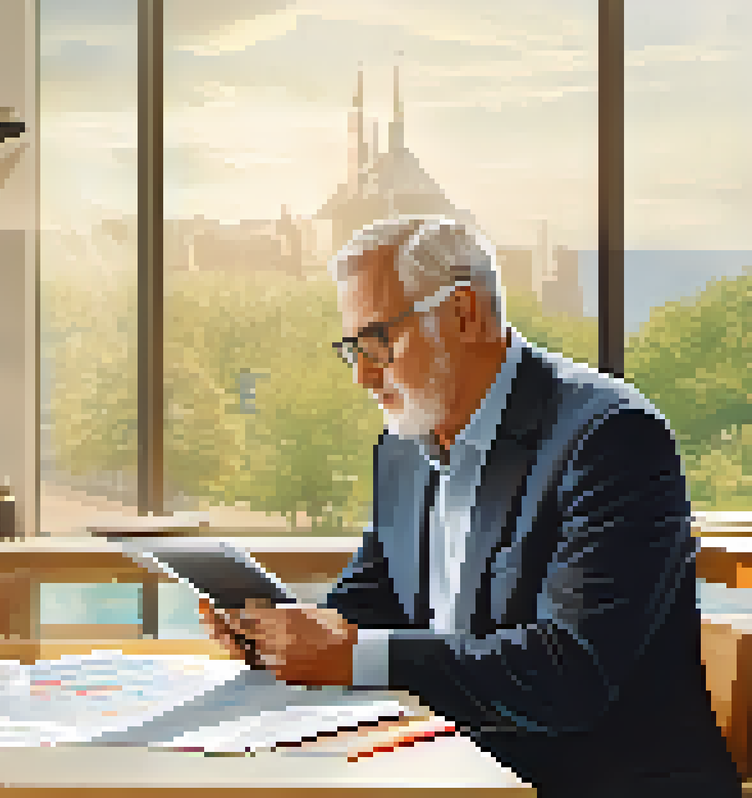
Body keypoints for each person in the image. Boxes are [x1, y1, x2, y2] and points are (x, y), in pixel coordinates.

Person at [200, 215, 741, 796]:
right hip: (454, 770)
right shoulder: (403, 446)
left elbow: (570, 672)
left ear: (464, 314)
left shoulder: (611, 437)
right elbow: (371, 602)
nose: (361, 375)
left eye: (378, 341)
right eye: (351, 348)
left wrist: (353, 656)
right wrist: (276, 634)